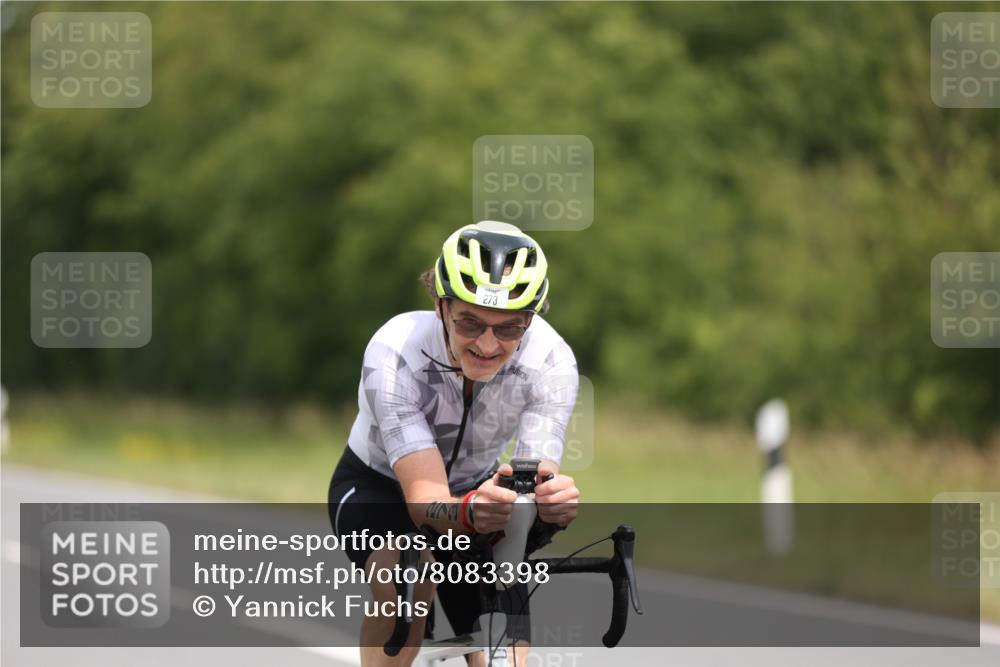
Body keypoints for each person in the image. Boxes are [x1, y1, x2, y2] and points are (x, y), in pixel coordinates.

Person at [328, 220, 581, 666]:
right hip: (377, 485)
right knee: (408, 572)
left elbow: (531, 479)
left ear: (530, 321)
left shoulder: (551, 361)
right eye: (470, 322)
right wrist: (470, 512)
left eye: (509, 328)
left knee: (504, 595)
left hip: (478, 488)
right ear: (440, 306)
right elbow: (425, 501)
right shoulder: (395, 350)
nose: (486, 344)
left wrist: (546, 505)